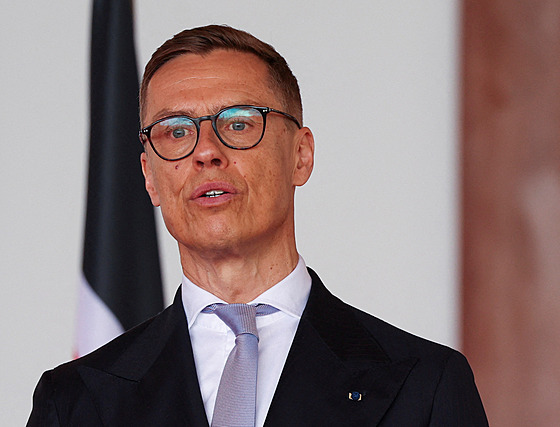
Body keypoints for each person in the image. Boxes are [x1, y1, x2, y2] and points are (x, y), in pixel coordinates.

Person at [27, 25, 488, 426]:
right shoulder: (73, 400)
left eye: (238, 123)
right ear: (149, 176)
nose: (206, 151)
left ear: (300, 156)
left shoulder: (426, 384)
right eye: (177, 131)